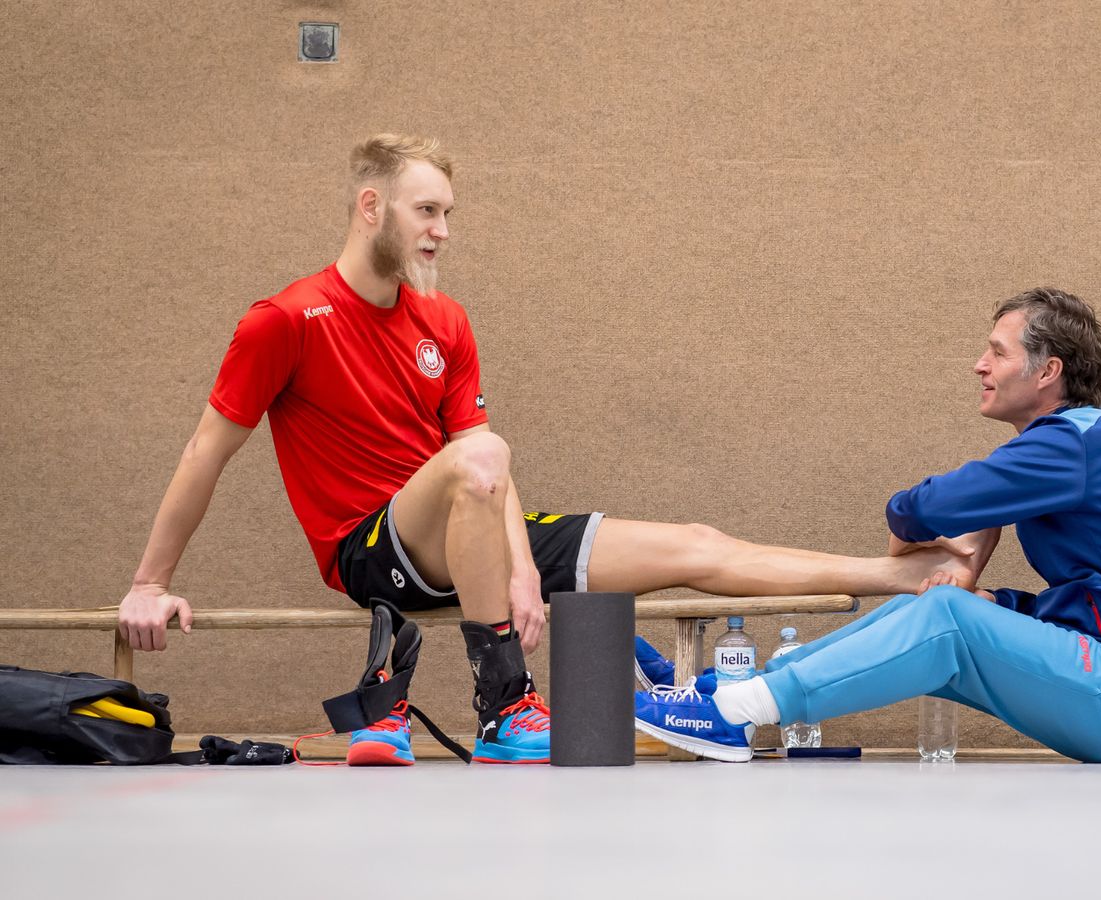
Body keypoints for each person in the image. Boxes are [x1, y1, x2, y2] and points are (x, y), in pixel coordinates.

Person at [115, 133, 974, 766]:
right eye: (426, 211)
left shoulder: (444, 320)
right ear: (371, 208)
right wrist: (150, 584)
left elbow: (482, 459)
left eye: (448, 214)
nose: (442, 231)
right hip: (370, 548)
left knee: (694, 543)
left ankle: (901, 576)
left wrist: (522, 568)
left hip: (474, 523)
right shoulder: (285, 320)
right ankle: (505, 706)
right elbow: (204, 453)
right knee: (479, 459)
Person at [634, 288, 1101, 763]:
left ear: (1048, 371)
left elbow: (920, 509)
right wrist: (1002, 604)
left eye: (998, 353)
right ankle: (730, 689)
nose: (979, 365)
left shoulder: (1071, 446)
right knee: (936, 609)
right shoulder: (1075, 447)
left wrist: (915, 534)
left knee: (947, 614)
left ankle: (732, 715)